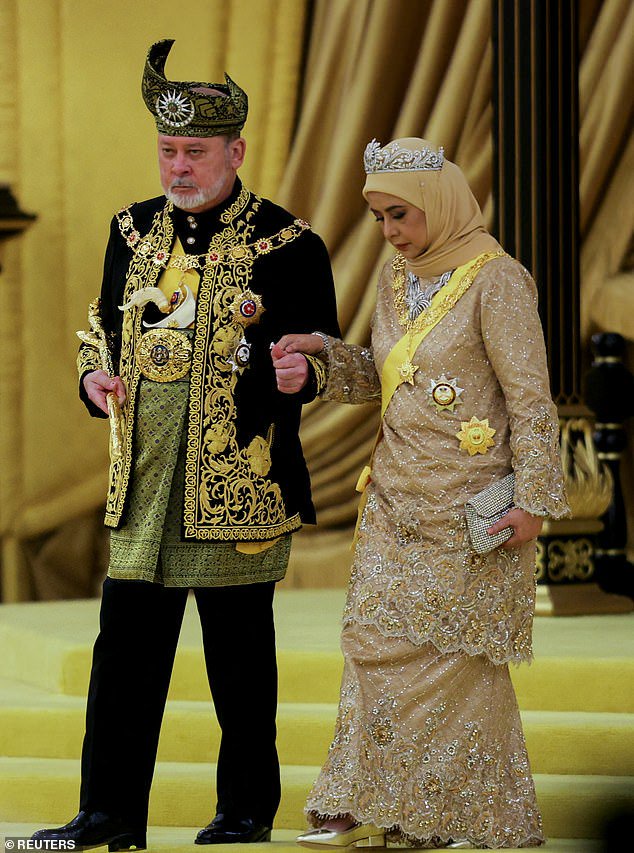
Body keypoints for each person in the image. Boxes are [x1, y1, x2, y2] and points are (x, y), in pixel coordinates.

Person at [32, 39, 339, 852]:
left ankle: (244, 812)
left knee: (241, 666)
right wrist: (94, 376)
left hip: (237, 487)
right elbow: (100, 327)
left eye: (194, 152)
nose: (178, 166)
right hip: (142, 484)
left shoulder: (290, 244)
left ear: (235, 151)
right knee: (123, 660)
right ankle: (107, 813)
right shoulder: (129, 231)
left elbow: (327, 357)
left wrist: (297, 375)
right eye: (168, 150)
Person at [273, 138, 569, 849]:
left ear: (437, 204)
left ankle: (460, 815)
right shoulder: (394, 277)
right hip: (394, 498)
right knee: (370, 645)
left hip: (471, 507)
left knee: (458, 665)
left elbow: (531, 400)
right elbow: (384, 376)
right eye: (378, 218)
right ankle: (357, 796)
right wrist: (324, 355)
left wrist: (533, 497)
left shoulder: (497, 281)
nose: (389, 232)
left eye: (398, 214)